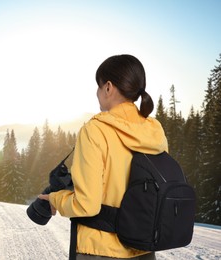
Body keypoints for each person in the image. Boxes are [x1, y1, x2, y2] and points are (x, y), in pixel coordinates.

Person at [39, 54, 168, 259]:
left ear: (108, 87)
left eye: (99, 86)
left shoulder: (95, 130)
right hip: (143, 248)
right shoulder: (154, 130)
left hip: (101, 249)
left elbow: (87, 204)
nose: (97, 92)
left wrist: (54, 199)